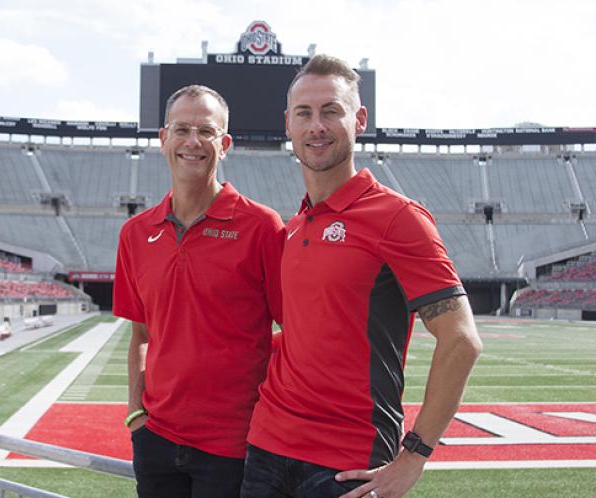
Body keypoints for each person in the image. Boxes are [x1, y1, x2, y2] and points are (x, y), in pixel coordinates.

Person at [241, 54, 483, 498]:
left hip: (347, 460)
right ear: (288, 126)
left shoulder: (398, 218)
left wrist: (414, 456)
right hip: (266, 446)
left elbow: (462, 339)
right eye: (305, 114)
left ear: (360, 120)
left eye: (331, 111)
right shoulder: (293, 227)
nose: (317, 126)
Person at [113, 84, 284, 498]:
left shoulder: (261, 226)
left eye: (206, 132)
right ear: (163, 139)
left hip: (234, 445)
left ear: (224, 144)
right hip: (155, 441)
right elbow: (140, 334)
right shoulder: (136, 233)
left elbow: (294, 332)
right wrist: (137, 412)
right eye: (182, 129)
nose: (193, 142)